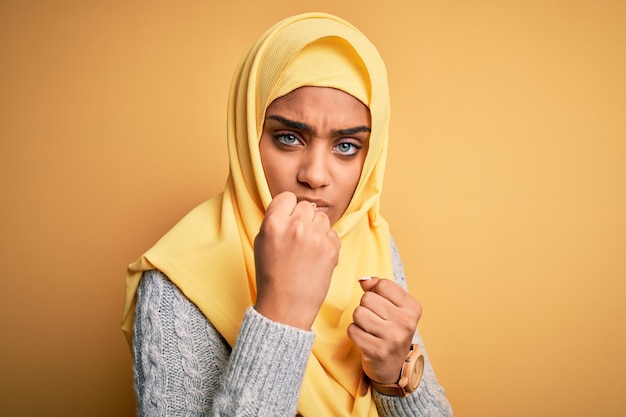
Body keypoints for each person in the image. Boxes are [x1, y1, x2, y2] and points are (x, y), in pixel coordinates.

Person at [121, 12, 453, 416]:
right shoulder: (177, 282)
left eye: (346, 146)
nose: (315, 175)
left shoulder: (370, 240)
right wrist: (281, 315)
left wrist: (394, 378)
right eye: (289, 137)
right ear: (247, 133)